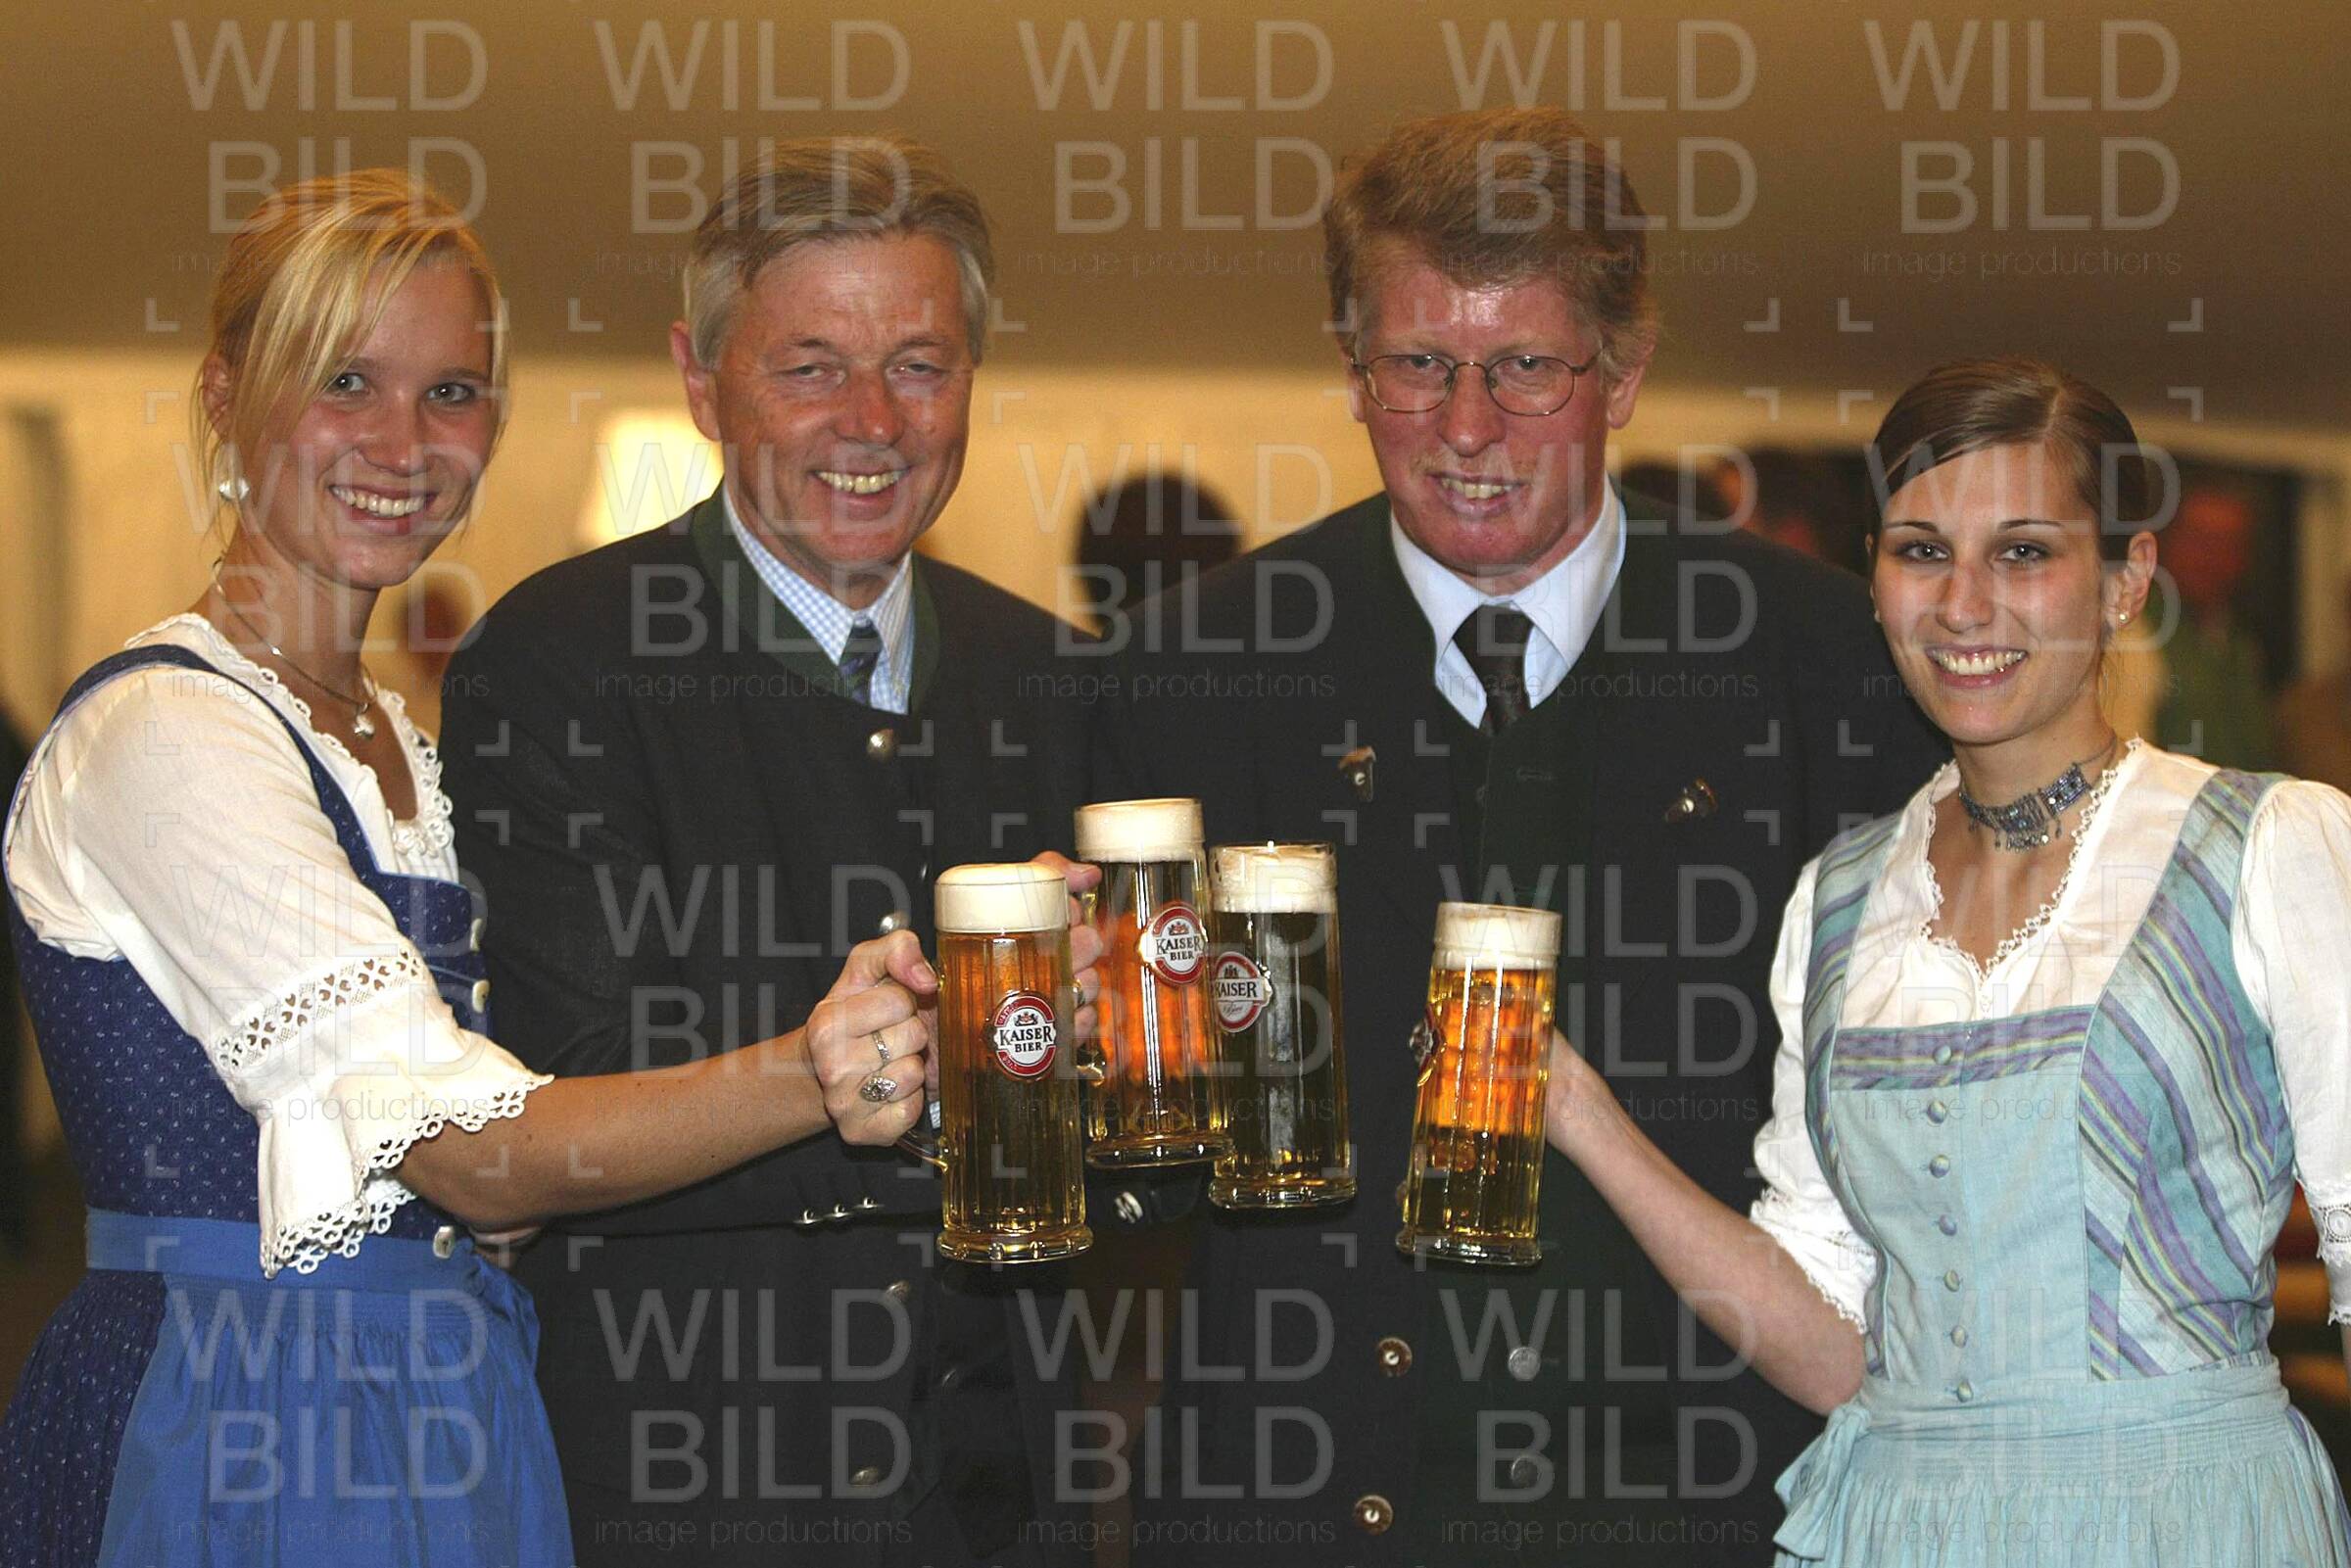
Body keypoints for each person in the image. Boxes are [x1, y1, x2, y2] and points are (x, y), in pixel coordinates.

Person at [0, 171, 1004, 1567]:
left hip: (446, 1390)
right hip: (242, 1411)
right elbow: (470, 1156)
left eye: (453, 393)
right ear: (228, 395)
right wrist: (816, 1064)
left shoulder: (398, 747)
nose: (402, 442)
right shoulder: (166, 733)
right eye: (346, 380)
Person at [1100, 107, 1945, 1564]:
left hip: (1707, 1517)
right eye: (1418, 365)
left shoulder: (1831, 670)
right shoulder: (1196, 669)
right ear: (1351, 368)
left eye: (1527, 368)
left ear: (1627, 370)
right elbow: (1133, 1182)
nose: (1467, 428)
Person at [1541, 357, 2351, 1564]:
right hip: (1901, 1524)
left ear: (2126, 580)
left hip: (2180, 1520)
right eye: (1922, 551)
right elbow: (1835, 1344)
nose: (1964, 605)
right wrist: (1579, 1111)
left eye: (2023, 552)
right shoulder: (1838, 898)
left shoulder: (2271, 844)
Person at [439, 137, 1116, 1566]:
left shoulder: (1055, 678)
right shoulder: (560, 662)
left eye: (922, 365)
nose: (873, 420)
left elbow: (1122, 1163)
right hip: (685, 1490)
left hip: (997, 1504)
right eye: (811, 367)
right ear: (700, 382)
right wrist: (899, 1057)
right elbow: (562, 1098)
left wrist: (1122, 1044)